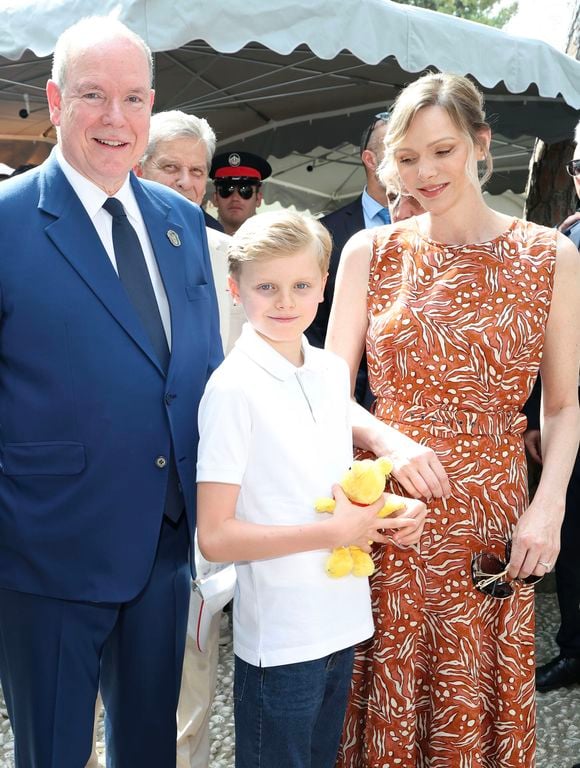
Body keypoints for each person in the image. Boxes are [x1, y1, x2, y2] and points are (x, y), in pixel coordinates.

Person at [326, 72, 580, 767]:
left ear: (480, 142)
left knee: (473, 706)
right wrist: (386, 436)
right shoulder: (368, 254)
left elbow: (561, 404)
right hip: (391, 518)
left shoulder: (549, 256)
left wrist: (549, 505)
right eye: (406, 158)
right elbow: (325, 391)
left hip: (494, 522)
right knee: (385, 697)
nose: (425, 172)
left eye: (441, 151)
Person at [0, 17, 222, 768]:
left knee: (150, 753)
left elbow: (196, 369)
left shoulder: (182, 222)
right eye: (94, 95)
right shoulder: (6, 224)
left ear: (152, 106)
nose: (115, 119)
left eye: (132, 98)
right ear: (56, 100)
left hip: (165, 553)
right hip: (48, 555)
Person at [195, 210, 427, 768]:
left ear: (324, 286)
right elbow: (216, 537)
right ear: (235, 289)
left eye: (300, 285)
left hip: (342, 618)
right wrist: (335, 531)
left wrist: (389, 512)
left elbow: (324, 486)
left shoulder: (327, 372)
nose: (284, 301)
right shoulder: (231, 389)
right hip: (280, 636)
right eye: (266, 287)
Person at [137, 109, 242, 768]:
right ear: (137, 169)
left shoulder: (232, 260)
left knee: (191, 679)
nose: (184, 183)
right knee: (94, 687)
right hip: (109, 504)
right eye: (168, 168)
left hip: (198, 506)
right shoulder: (95, 250)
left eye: (195, 172)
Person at [525, 119, 580, 695]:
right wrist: (537, 414)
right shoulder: (568, 241)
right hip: (571, 420)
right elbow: (543, 344)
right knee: (572, 542)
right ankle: (574, 648)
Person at [306, 112, 392, 353]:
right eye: (395, 150)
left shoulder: (433, 225)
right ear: (370, 159)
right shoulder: (324, 232)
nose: (407, 159)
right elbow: (311, 318)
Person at [209, 150, 271, 235]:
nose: (235, 198)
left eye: (245, 190)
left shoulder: (275, 245)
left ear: (258, 199)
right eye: (227, 190)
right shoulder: (199, 240)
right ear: (215, 199)